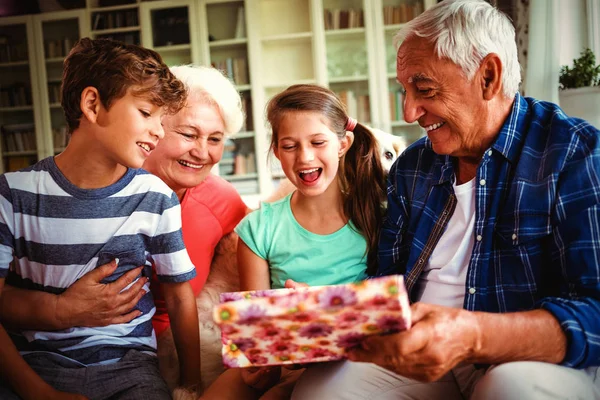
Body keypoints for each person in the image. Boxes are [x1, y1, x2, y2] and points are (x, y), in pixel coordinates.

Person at [291, 1, 600, 399]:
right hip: (420, 351)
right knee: (321, 391)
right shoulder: (413, 166)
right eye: (404, 89)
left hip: (527, 358)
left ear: (488, 76)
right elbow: (389, 281)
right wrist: (331, 313)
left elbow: (595, 310)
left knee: (509, 387)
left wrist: (473, 335)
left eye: (424, 89)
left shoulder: (576, 153)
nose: (408, 111)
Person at [0, 65, 250, 394]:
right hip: (49, 352)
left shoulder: (223, 200)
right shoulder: (46, 193)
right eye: (188, 134)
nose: (202, 152)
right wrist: (61, 310)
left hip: (144, 357)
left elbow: (258, 261)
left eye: (215, 139)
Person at [200, 84, 387, 399]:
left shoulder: (375, 218)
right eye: (289, 146)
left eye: (317, 142)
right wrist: (256, 367)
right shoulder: (258, 229)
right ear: (276, 150)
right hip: (288, 360)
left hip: (355, 358)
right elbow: (254, 333)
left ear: (343, 144)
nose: (304, 157)